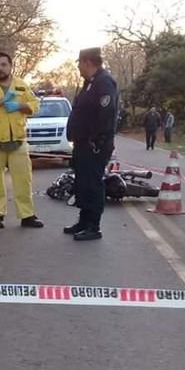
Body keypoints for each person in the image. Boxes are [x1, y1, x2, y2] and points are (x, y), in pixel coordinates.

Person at [0, 51, 43, 229]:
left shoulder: (21, 85)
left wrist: (20, 105)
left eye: (4, 65)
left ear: (10, 66)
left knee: (23, 179)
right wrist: (2, 101)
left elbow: (35, 106)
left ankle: (27, 215)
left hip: (18, 139)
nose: (0, 68)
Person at [65, 47, 118, 241]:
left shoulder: (104, 82)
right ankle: (83, 220)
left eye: (79, 62)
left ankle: (93, 226)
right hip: (82, 144)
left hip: (94, 145)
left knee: (93, 184)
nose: (78, 66)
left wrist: (97, 140)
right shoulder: (89, 83)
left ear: (88, 62)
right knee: (82, 183)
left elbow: (107, 114)